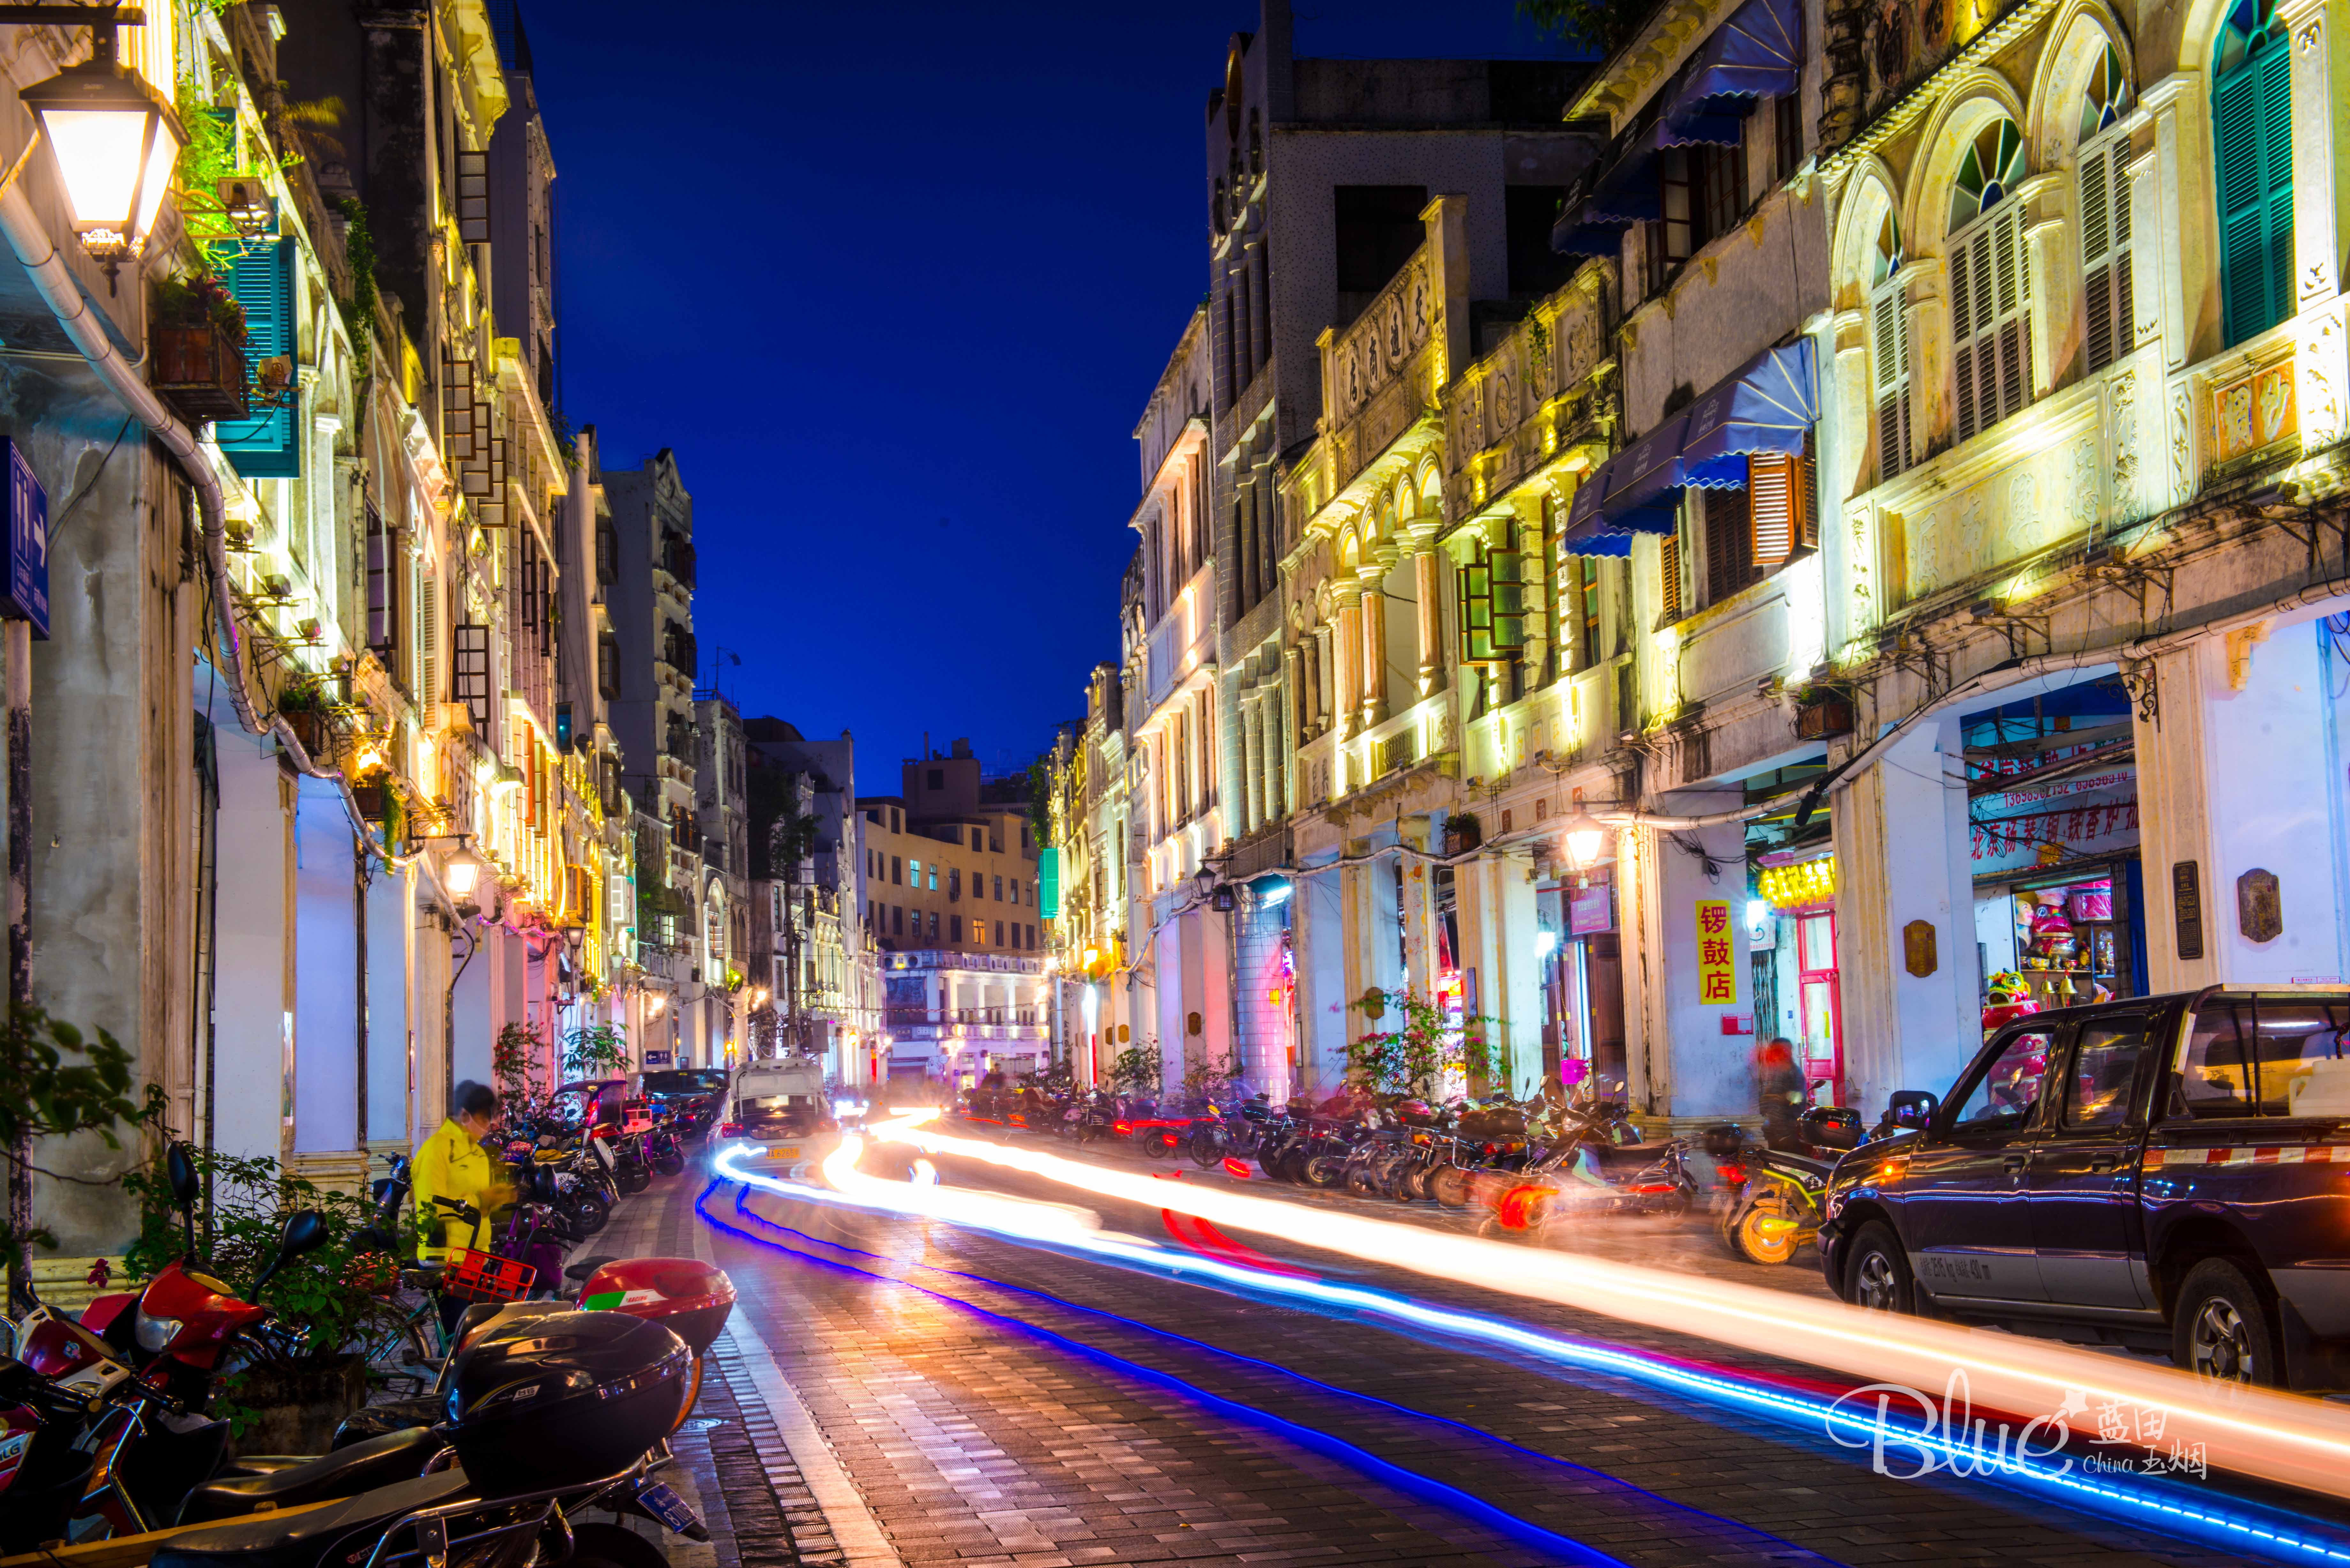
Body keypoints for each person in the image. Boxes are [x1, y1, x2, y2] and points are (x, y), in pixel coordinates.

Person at [413, 1080, 512, 1336]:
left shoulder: (477, 1153)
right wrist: (482, 1200)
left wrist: (495, 1200)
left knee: (475, 1333)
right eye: (484, 1118)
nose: (488, 1126)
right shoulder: (438, 1150)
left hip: (475, 1256)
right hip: (446, 1257)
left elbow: (478, 1203)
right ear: (465, 1115)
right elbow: (429, 1207)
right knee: (457, 1334)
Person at [1755, 1037, 1806, 1151]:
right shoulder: (1775, 1071)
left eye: (1785, 1050)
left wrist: (1777, 1098)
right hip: (1775, 1128)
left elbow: (1799, 1097)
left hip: (1790, 1127)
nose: (1782, 1053)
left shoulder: (1795, 1073)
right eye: (1777, 1051)